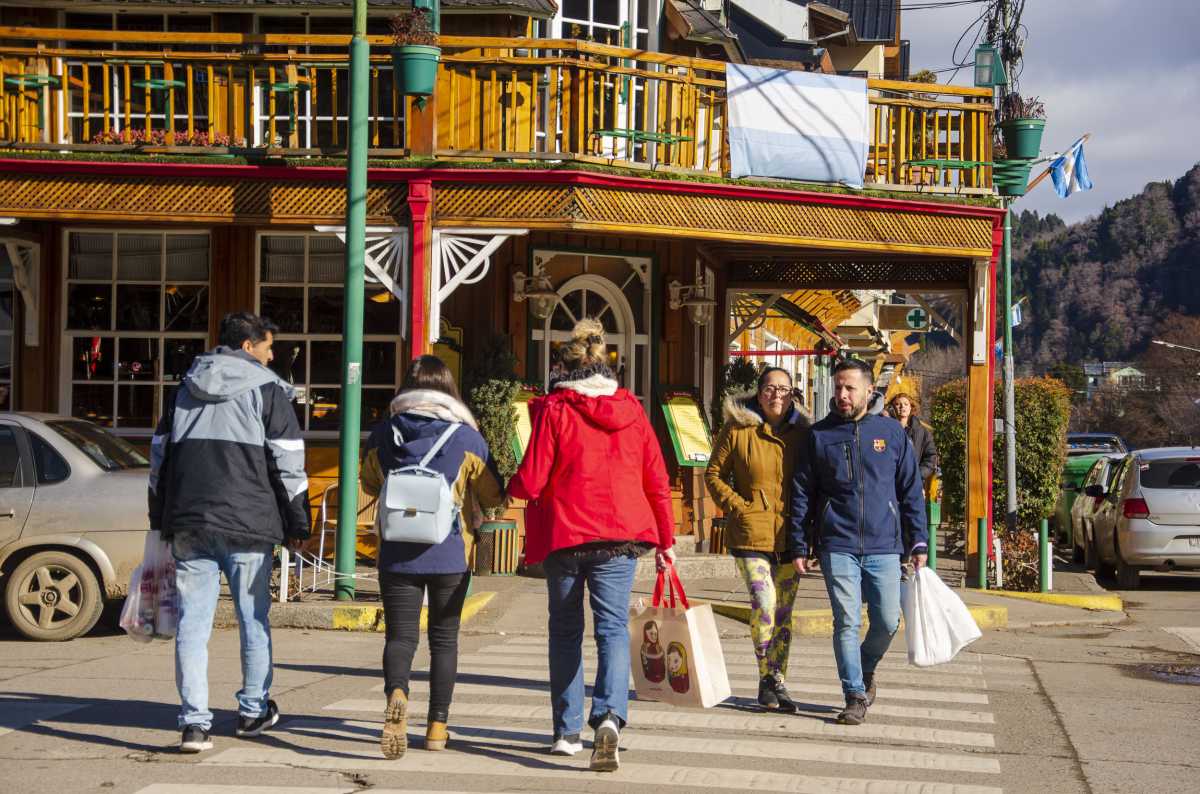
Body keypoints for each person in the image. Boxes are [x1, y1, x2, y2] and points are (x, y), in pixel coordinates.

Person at [509, 318, 675, 773]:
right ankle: (609, 719)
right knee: (612, 632)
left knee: (565, 634)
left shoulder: (554, 409)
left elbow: (533, 479)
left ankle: (566, 732)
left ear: (563, 368)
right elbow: (656, 479)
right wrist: (666, 538)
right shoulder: (632, 411)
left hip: (566, 536)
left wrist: (507, 484)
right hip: (620, 539)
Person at [149, 312, 311, 754]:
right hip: (248, 522)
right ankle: (252, 711)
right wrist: (299, 519)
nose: (272, 355)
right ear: (247, 347)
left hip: (189, 521)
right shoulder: (268, 390)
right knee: (252, 619)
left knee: (193, 625)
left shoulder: (184, 388)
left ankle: (194, 725)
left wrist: (159, 516)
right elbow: (288, 461)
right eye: (268, 347)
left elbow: (159, 458)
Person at [361, 355, 504, 760]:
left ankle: (398, 693)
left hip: (396, 554)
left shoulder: (385, 430)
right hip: (449, 553)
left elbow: (370, 481)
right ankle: (438, 727)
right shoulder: (466, 438)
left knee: (400, 637)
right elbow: (494, 493)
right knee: (444, 640)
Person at [787, 358, 927, 726]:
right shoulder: (820, 435)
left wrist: (919, 542)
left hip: (885, 544)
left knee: (887, 622)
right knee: (846, 621)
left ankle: (864, 670)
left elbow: (911, 491)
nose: (843, 395)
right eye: (838, 387)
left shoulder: (891, 433)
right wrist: (800, 544)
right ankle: (853, 695)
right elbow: (802, 493)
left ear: (869, 390)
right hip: (837, 543)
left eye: (850, 388)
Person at [704, 367, 810, 712]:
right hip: (751, 532)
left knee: (784, 612)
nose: (776, 395)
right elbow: (714, 473)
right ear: (758, 391)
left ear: (793, 393)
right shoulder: (738, 428)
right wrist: (739, 507)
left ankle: (778, 678)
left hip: (792, 536)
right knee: (764, 604)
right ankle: (766, 676)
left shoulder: (805, 433)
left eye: (783, 389)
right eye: (769, 388)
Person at [887, 393, 938, 483]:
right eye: (898, 404)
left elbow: (931, 457)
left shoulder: (922, 432)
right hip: (889, 483)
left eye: (906, 404)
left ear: (911, 407)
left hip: (913, 484)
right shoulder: (885, 429)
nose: (902, 406)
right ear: (892, 408)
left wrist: (917, 475)